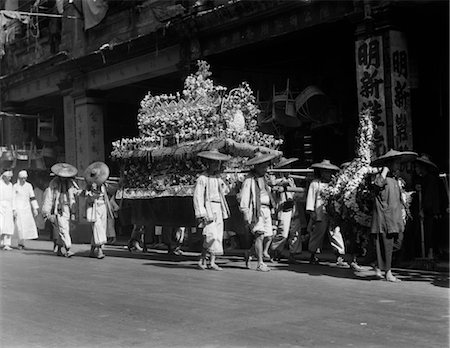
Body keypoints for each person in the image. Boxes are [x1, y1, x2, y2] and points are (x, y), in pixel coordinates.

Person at [369, 149, 417, 282]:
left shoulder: (396, 180)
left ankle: (378, 263)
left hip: (395, 219)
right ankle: (388, 272)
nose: (398, 165)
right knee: (388, 245)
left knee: (398, 243)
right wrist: (384, 171)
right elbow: (377, 186)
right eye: (396, 163)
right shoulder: (382, 178)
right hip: (385, 219)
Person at [239, 151, 278, 272]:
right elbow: (244, 197)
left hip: (266, 209)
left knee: (268, 236)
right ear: (256, 166)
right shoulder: (249, 180)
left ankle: (250, 252)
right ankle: (260, 263)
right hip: (256, 210)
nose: (265, 168)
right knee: (259, 235)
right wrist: (245, 212)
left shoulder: (265, 179)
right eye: (263, 166)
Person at [193, 149, 231, 271]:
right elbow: (198, 196)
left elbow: (225, 191)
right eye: (214, 163)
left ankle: (212, 261)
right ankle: (202, 258)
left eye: (218, 163)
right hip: (208, 208)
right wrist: (201, 212)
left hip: (218, 207)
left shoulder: (218, 178)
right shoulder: (202, 178)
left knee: (218, 235)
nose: (216, 165)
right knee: (210, 235)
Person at [306, 160, 348, 267]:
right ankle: (313, 254)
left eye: (328, 172)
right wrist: (312, 213)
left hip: (332, 213)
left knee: (335, 234)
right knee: (317, 234)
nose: (327, 174)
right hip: (320, 213)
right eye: (324, 172)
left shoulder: (335, 184)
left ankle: (339, 256)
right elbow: (311, 199)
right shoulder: (315, 184)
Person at [270, 156, 303, 264]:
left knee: (295, 232)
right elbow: (274, 185)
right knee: (283, 232)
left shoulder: (291, 179)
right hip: (283, 208)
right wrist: (283, 183)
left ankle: (293, 254)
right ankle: (275, 250)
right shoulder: (277, 180)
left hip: (293, 207)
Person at [42, 163, 79, 258]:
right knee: (63, 229)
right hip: (58, 209)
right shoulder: (54, 183)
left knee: (64, 229)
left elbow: (76, 193)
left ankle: (59, 248)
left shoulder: (70, 183)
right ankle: (68, 248)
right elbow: (49, 197)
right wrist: (47, 212)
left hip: (68, 208)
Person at [83, 162, 114, 259]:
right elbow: (89, 198)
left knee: (100, 229)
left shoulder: (104, 185)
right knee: (98, 228)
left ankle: (92, 250)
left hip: (103, 208)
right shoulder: (89, 187)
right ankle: (100, 250)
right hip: (94, 208)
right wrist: (93, 190)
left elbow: (113, 190)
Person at [413, 154, 441, 259]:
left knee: (429, 233)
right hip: (423, 209)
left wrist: (423, 209)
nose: (415, 169)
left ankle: (430, 254)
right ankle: (423, 253)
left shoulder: (431, 179)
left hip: (429, 211)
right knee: (422, 232)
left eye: (417, 167)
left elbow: (429, 197)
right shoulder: (419, 179)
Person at [13, 170, 39, 249]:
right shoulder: (15, 186)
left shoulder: (29, 186)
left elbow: (32, 197)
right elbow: (13, 198)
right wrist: (13, 209)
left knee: (25, 226)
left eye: (25, 178)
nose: (23, 180)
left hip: (26, 208)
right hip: (18, 208)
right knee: (19, 226)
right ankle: (18, 242)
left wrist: (35, 208)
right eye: (22, 178)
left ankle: (22, 242)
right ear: (19, 178)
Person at [0, 168, 16, 250]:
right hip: (0, 206)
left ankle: (6, 244)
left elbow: (13, 198)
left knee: (8, 226)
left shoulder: (10, 185)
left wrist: (14, 209)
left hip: (9, 207)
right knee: (1, 225)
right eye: (8, 177)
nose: (10, 179)